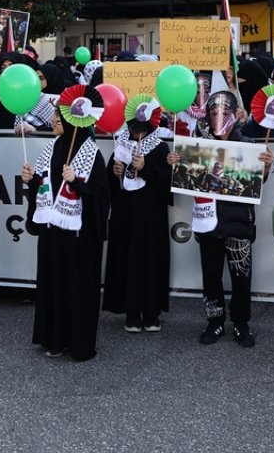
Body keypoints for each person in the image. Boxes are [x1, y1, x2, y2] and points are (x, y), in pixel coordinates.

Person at [170, 92, 274, 349]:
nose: (219, 117)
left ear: (234, 114)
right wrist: (173, 162)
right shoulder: (198, 145)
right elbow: (186, 177)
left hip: (238, 222)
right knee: (211, 275)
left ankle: (241, 323)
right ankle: (214, 321)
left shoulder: (247, 144)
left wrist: (265, 168)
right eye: (213, 112)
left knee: (241, 277)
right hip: (208, 224)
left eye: (224, 112)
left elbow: (256, 183)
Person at [21, 101, 110, 362]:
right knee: (53, 283)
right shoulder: (50, 148)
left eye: (58, 119)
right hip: (53, 234)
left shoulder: (91, 153)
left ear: (72, 122)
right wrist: (32, 180)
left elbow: (102, 197)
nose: (53, 122)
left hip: (79, 239)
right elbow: (43, 187)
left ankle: (79, 342)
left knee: (77, 287)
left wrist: (78, 184)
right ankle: (54, 338)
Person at [102, 98, 171, 333]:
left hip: (151, 215)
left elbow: (168, 185)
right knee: (126, 258)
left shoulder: (160, 147)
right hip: (125, 213)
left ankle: (151, 312)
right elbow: (109, 183)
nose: (137, 129)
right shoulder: (120, 143)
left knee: (150, 260)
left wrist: (146, 169)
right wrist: (115, 171)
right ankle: (131, 312)